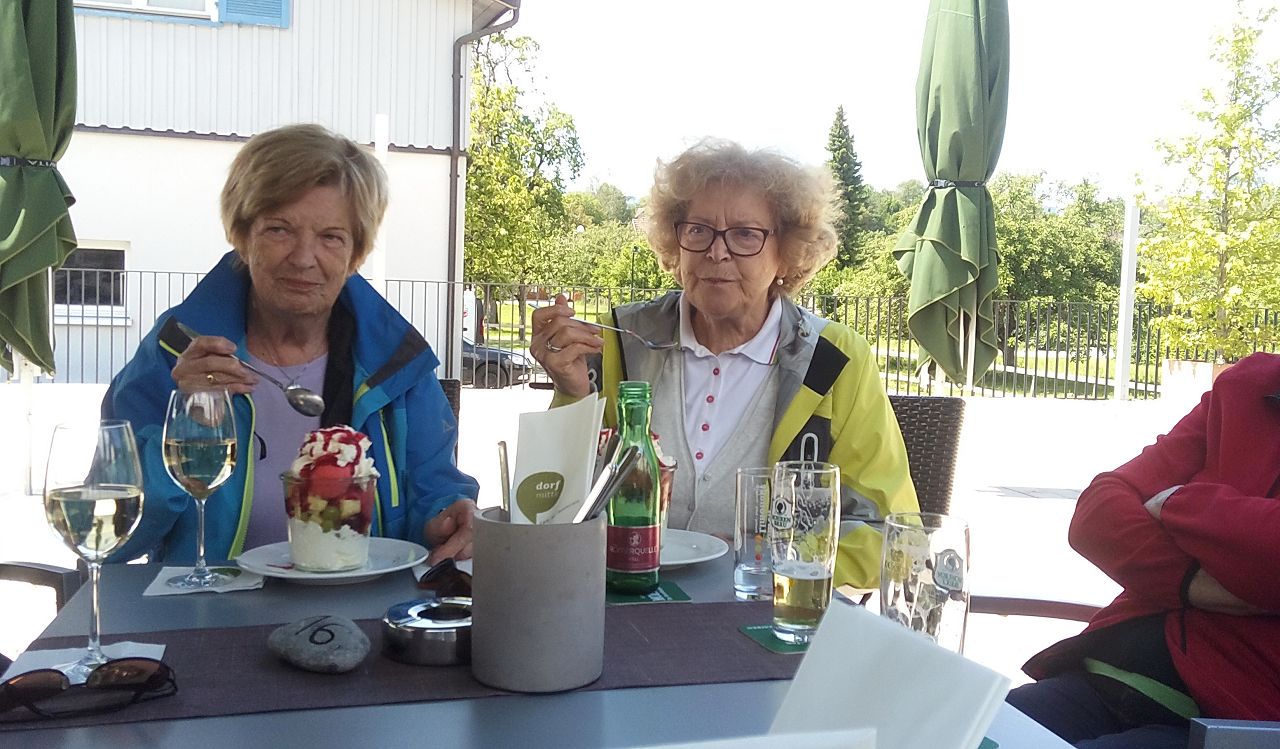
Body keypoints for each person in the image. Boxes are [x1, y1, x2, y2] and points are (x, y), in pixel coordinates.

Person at [530, 139, 918, 588]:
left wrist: (762, 556)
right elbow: (547, 509)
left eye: (745, 234)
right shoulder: (617, 341)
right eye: (698, 230)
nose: (717, 252)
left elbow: (889, 535)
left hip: (764, 613)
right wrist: (573, 395)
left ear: (786, 253)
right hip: (621, 600)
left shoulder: (833, 360)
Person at [104, 124, 478, 566]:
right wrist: (187, 425)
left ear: (355, 253)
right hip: (211, 602)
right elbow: (115, 533)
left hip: (359, 601)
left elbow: (434, 492)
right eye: (279, 230)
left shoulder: (395, 361)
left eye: (330, 237)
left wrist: (449, 517)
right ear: (243, 237)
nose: (303, 258)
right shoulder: (177, 352)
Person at [1008, 352, 1280, 748]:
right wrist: (1191, 582)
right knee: (960, 730)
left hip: (1231, 717)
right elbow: (1097, 512)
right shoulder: (1250, 385)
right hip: (1101, 675)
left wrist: (1175, 503)